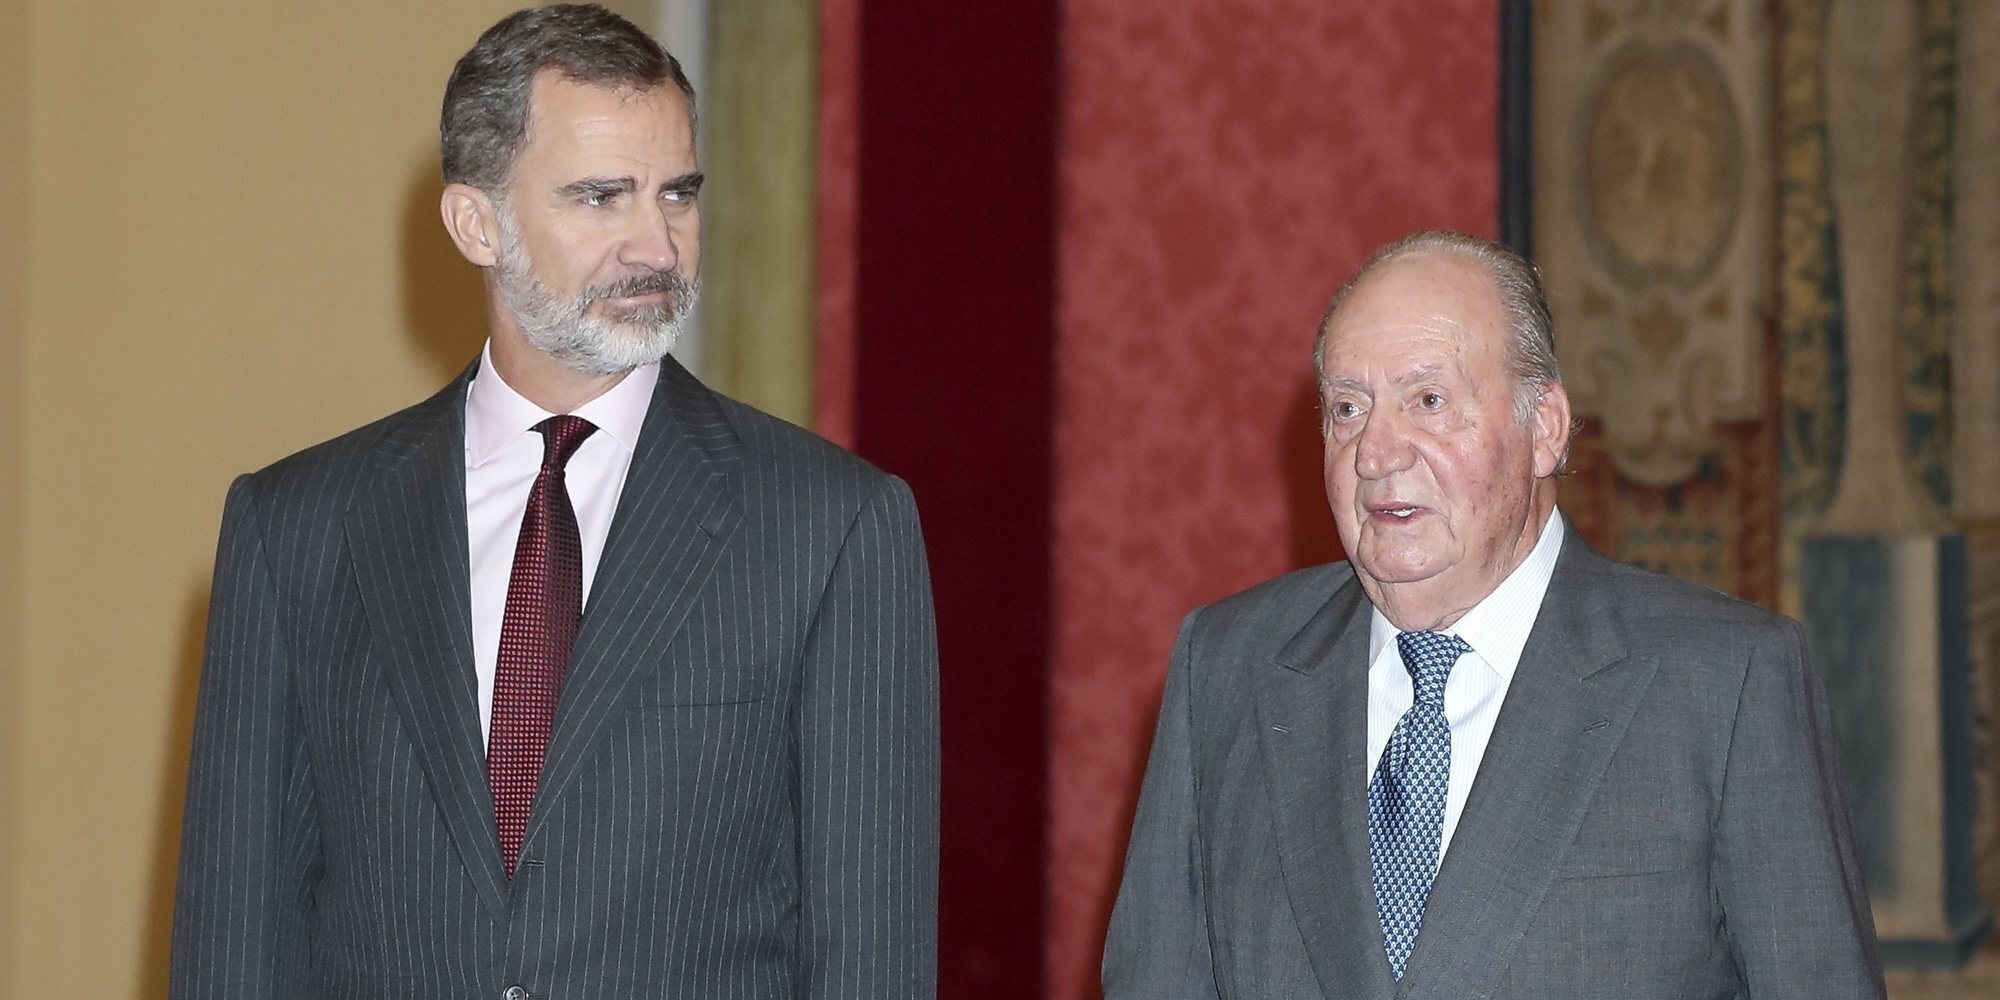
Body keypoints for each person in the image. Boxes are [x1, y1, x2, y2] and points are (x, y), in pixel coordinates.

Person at [169, 6, 938, 998]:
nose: (654, 245)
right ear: (475, 223)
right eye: (601, 197)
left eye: (676, 195)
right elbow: (233, 940)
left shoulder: (830, 528)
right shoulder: (297, 530)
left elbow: (870, 957)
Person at [1102, 229, 1884, 999]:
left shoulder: (1727, 683)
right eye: (1347, 408)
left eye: (1428, 400)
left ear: (1544, 428)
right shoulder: (1228, 667)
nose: (1374, 453)